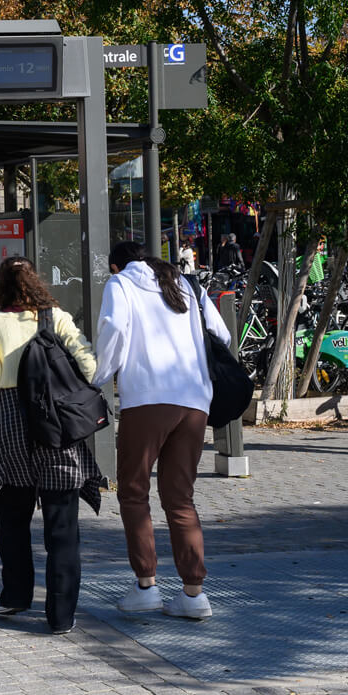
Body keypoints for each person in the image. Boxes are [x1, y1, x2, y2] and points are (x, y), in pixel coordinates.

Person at [0, 256, 102, 635]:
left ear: (1, 286)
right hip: (55, 423)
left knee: (12, 517)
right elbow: (89, 366)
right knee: (62, 523)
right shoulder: (57, 318)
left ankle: (17, 595)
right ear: (36, 281)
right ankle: (61, 615)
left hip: (9, 422)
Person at [92, 240, 229, 621]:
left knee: (134, 492)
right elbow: (222, 335)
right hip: (195, 400)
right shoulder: (186, 284)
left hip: (147, 398)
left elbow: (114, 329)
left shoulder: (121, 284)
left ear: (117, 266)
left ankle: (146, 586)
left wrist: (98, 376)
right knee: (181, 498)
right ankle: (194, 593)